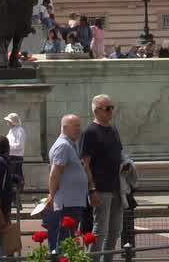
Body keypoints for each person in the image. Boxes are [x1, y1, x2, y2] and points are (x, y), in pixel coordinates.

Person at [83, 94, 126, 257]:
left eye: (112, 108)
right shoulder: (90, 132)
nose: (110, 111)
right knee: (100, 229)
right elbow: (85, 163)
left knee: (115, 230)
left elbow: (119, 154)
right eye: (107, 108)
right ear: (96, 111)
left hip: (117, 187)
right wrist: (91, 189)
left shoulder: (113, 129)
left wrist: (126, 165)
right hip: (101, 188)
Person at [44, 113, 89, 254]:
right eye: (75, 126)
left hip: (72, 201)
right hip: (67, 202)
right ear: (64, 128)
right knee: (64, 240)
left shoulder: (69, 145)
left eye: (79, 126)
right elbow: (55, 173)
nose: (79, 129)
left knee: (68, 239)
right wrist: (51, 195)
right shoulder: (63, 146)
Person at [0, 136, 22, 258]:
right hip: (1, 205)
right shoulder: (1, 162)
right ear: (6, 148)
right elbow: (1, 186)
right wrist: (1, 209)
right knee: (6, 234)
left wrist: (14, 178)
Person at [3, 112, 27, 189]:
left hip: (16, 157)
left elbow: (19, 145)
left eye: (9, 121)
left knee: (16, 177)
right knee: (12, 177)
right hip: (10, 156)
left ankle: (18, 194)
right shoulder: (11, 130)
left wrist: (8, 146)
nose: (7, 123)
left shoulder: (20, 131)